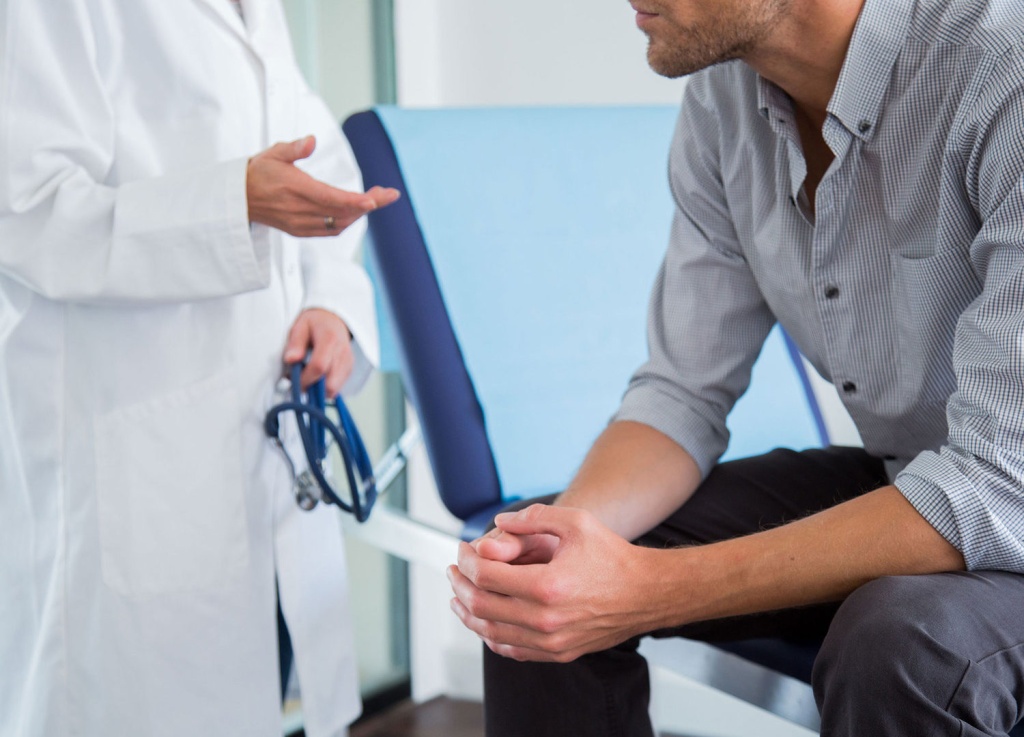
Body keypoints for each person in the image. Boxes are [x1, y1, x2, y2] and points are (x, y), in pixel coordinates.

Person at [448, 0, 1024, 734]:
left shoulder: (1006, 67)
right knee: (536, 595)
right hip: (920, 477)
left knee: (901, 644)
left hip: (1011, 498)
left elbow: (1001, 482)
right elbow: (680, 393)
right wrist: (561, 548)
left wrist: (648, 589)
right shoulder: (726, 102)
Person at [0, 1, 398, 736]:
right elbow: (25, 211)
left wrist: (331, 306)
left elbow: (315, 164)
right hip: (132, 460)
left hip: (260, 452)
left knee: (258, 690)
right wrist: (232, 202)